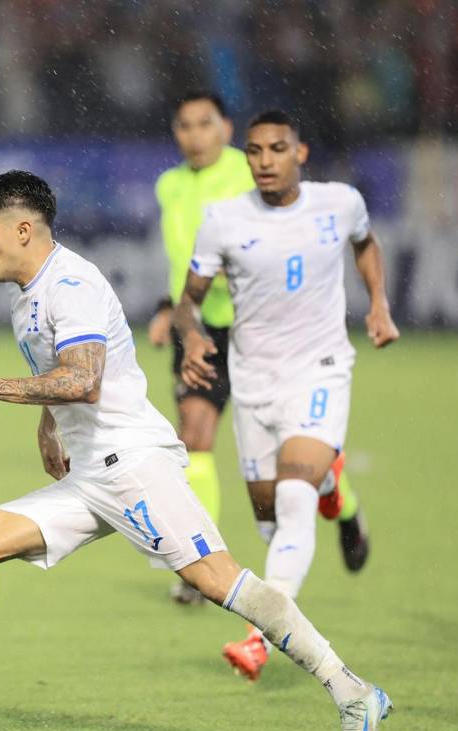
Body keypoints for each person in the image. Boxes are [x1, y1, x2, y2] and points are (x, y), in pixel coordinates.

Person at [0, 171, 392, 731]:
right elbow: (61, 375)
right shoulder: (27, 299)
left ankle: (351, 690)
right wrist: (48, 423)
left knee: (216, 580)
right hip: (91, 475)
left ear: (22, 229)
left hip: (131, 464)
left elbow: (84, 380)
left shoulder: (72, 284)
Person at [172, 110, 400, 682]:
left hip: (319, 372)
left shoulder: (339, 202)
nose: (265, 161)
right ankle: (337, 490)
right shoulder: (223, 219)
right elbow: (188, 300)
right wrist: (193, 333)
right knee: (270, 519)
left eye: (278, 149)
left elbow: (366, 245)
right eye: (255, 151)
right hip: (254, 385)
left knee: (293, 501)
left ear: (300, 153)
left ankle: (258, 638)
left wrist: (378, 304)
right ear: (245, 157)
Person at [151, 91, 369, 607]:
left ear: (226, 129)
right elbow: (182, 255)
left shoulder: (250, 173)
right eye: (183, 126)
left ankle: (340, 496)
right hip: (201, 329)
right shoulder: (170, 186)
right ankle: (198, 568)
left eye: (204, 124)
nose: (194, 135)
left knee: (284, 487)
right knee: (194, 437)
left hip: (262, 335)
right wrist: (171, 306)